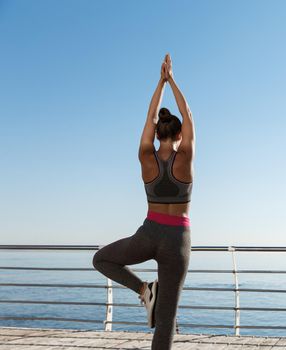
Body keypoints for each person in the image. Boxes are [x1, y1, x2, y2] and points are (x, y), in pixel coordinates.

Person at [92, 53, 194, 350]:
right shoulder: (186, 158)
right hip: (178, 239)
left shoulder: (145, 157)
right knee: (165, 323)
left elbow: (150, 118)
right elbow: (187, 113)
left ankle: (145, 289)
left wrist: (159, 83)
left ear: (158, 133)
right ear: (178, 134)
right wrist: (172, 79)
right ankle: (150, 292)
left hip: (149, 233)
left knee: (102, 259)